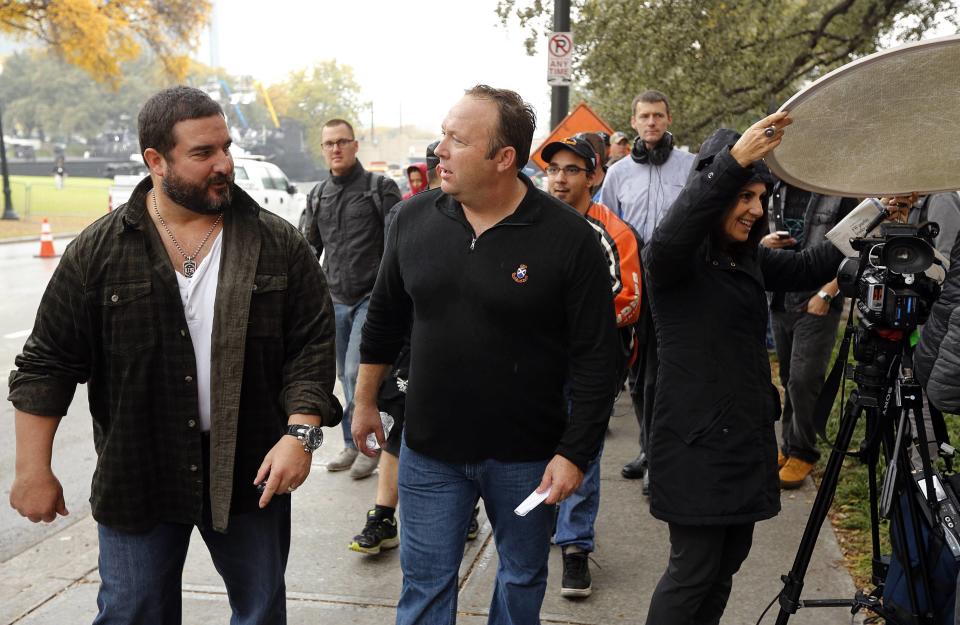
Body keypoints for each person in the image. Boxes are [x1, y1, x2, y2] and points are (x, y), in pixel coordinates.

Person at [8, 86, 342, 625]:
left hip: (251, 470)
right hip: (139, 468)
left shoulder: (277, 244)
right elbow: (46, 363)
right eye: (203, 153)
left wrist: (299, 434)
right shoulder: (98, 252)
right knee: (132, 612)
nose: (224, 164)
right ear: (156, 160)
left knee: (259, 612)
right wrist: (32, 470)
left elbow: (311, 348)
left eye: (226, 148)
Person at [352, 85, 619, 625]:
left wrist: (576, 453)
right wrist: (362, 402)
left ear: (504, 159)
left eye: (457, 140)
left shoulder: (570, 240)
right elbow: (383, 320)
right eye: (443, 134)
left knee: (521, 578)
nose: (440, 150)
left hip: (528, 462)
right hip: (429, 453)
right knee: (425, 586)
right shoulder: (411, 220)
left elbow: (599, 359)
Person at [642, 113, 852, 625]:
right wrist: (734, 163)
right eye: (745, 197)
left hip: (742, 444)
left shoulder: (746, 259)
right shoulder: (674, 262)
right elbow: (673, 235)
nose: (756, 210)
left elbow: (809, 265)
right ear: (715, 192)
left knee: (725, 567)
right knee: (693, 571)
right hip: (695, 445)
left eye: (760, 199)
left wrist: (876, 211)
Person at [349, 143, 480, 556]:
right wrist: (365, 396)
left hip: (465, 356)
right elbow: (388, 298)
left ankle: (466, 510)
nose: (440, 167)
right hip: (407, 343)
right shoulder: (408, 215)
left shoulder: (490, 215)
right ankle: (383, 516)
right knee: (395, 428)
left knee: (463, 428)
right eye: (435, 161)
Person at [542, 136, 642, 598]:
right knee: (536, 448)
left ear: (595, 176)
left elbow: (630, 301)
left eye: (572, 170)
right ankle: (539, 526)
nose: (560, 178)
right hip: (536, 367)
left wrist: (570, 328)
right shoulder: (531, 222)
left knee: (581, 452)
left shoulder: (614, 231)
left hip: (590, 368)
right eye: (554, 169)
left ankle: (576, 547)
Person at [599, 89, 696, 486]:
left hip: (678, 286)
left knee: (670, 374)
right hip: (635, 287)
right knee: (639, 376)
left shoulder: (690, 167)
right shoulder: (618, 173)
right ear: (635, 122)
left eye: (658, 115)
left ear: (669, 119)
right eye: (645, 117)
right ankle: (648, 448)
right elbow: (604, 227)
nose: (652, 122)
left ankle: (667, 455)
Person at [302, 119, 402, 479]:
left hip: (372, 299)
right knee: (343, 379)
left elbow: (397, 245)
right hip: (334, 299)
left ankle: (373, 447)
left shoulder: (380, 188)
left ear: (355, 145)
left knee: (356, 372)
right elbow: (307, 248)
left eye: (342, 142)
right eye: (329, 143)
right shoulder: (317, 194)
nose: (335, 149)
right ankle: (351, 443)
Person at [760, 183, 858, 488]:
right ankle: (789, 445)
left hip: (817, 301)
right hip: (779, 296)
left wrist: (829, 292)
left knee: (805, 378)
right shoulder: (772, 187)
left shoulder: (838, 191)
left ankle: (804, 451)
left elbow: (854, 245)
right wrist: (765, 244)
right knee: (790, 376)